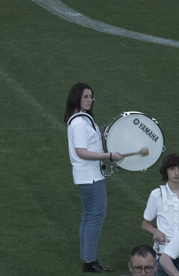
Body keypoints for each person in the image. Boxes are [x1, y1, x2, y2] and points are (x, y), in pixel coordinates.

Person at [66, 82, 121, 273]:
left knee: (88, 216)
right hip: (90, 176)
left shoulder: (81, 119)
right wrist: (109, 155)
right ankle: (89, 261)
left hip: (87, 175)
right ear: (77, 98)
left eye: (91, 97)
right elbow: (81, 152)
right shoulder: (80, 122)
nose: (89, 100)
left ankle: (87, 258)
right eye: (85, 97)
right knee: (96, 216)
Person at [142, 154, 179, 276]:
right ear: (166, 172)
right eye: (172, 169)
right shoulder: (156, 195)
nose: (176, 173)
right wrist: (156, 232)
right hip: (163, 252)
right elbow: (145, 224)